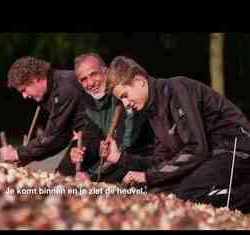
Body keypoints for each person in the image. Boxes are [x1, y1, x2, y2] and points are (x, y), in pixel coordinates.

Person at [104, 55, 250, 213]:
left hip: (234, 149)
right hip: (210, 156)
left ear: (140, 81)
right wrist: (120, 158)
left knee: (187, 195)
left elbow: (196, 148)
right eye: (121, 100)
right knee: (159, 193)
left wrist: (148, 176)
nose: (126, 105)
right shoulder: (153, 113)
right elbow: (163, 160)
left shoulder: (176, 88)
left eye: (125, 95)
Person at [70, 53, 154, 182]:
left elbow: (126, 146)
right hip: (117, 160)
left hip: (142, 160)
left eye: (94, 74)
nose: (90, 83)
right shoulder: (88, 104)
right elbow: (93, 140)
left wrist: (91, 176)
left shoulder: (125, 96)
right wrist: (81, 154)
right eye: (84, 79)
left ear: (106, 71)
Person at [0, 56, 85, 176]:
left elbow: (52, 135)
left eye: (24, 90)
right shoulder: (51, 92)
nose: (24, 96)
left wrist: (18, 153)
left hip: (100, 137)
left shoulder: (64, 88)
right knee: (61, 176)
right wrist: (29, 156)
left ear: (35, 78)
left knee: (66, 179)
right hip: (85, 137)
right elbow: (61, 138)